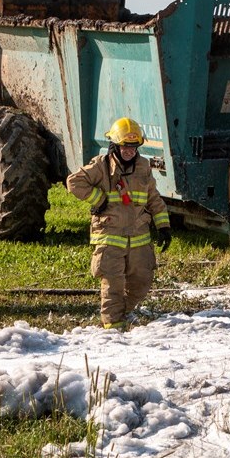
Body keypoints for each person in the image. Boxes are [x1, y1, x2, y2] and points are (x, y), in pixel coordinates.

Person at [66, 117, 171, 327]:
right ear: (115, 145)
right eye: (125, 147)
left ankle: (124, 313)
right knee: (112, 284)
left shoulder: (142, 166)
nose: (130, 152)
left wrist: (163, 226)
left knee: (142, 282)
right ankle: (113, 329)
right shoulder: (101, 166)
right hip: (109, 236)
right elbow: (73, 182)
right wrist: (99, 199)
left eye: (134, 147)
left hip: (138, 236)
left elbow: (153, 198)